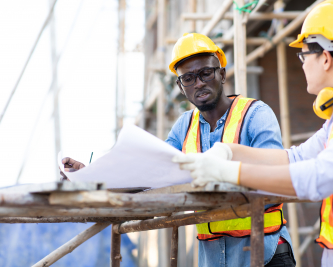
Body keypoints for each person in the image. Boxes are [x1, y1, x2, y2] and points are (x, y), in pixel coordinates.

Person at [173, 1, 333, 266]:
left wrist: (228, 172)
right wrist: (230, 152)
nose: (302, 65)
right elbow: (296, 157)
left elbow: (317, 178)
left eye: (304, 56)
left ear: (325, 58)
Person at [61, 33, 296, 266]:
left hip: (266, 252)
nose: (199, 83)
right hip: (214, 257)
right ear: (181, 87)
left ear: (222, 74)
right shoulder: (184, 127)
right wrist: (90, 176)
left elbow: (276, 175)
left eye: (206, 73)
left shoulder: (255, 114)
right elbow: (150, 176)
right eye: (188, 78)